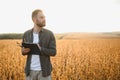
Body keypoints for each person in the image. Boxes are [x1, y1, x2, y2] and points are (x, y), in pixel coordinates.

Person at [21, 9, 56, 80]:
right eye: (41, 17)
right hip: (29, 72)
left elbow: (53, 52)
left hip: (44, 73)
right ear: (34, 19)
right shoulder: (26, 34)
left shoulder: (49, 34)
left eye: (44, 17)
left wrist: (41, 49)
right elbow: (22, 51)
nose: (44, 19)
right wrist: (23, 52)